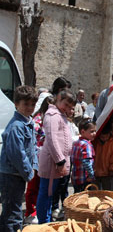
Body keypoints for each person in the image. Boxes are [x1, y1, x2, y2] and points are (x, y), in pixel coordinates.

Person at [0, 85, 38, 232]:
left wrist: (34, 166)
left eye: (32, 104)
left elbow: (32, 148)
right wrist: (28, 172)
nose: (30, 107)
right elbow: (18, 154)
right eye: (26, 104)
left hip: (17, 174)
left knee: (12, 209)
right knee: (13, 213)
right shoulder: (16, 126)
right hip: (11, 175)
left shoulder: (28, 122)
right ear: (16, 104)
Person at [36, 90, 76, 223]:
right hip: (52, 163)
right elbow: (52, 139)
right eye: (66, 105)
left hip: (57, 164)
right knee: (46, 193)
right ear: (58, 100)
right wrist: (60, 161)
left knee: (50, 193)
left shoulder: (60, 115)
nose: (68, 109)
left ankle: (46, 219)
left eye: (71, 107)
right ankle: (44, 222)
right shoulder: (52, 115)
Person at [24, 95, 54, 225]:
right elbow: (33, 141)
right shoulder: (37, 120)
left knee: (42, 186)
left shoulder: (50, 119)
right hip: (36, 157)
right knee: (33, 185)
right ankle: (30, 211)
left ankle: (38, 210)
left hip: (45, 157)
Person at [70, 118, 96, 193]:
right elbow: (86, 161)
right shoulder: (86, 145)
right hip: (84, 178)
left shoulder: (76, 143)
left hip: (76, 177)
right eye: (91, 131)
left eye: (95, 131)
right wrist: (91, 175)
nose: (94, 133)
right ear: (83, 131)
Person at [94, 124, 113, 190]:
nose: (104, 139)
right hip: (95, 172)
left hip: (107, 173)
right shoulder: (95, 142)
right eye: (102, 137)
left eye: (106, 136)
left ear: (110, 134)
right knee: (95, 190)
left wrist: (112, 169)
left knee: (107, 190)